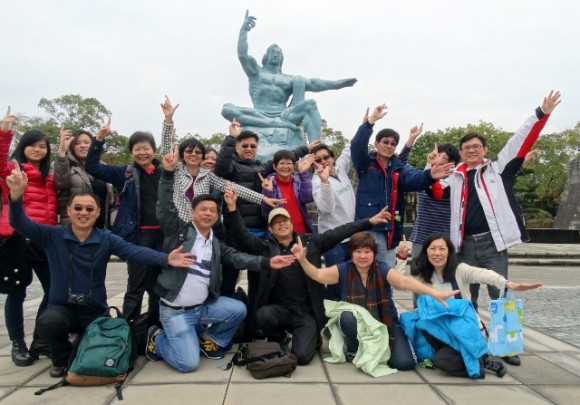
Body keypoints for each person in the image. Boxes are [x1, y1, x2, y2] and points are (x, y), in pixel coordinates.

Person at [5, 163, 194, 378]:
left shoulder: (106, 239)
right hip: (62, 307)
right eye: (77, 208)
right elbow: (19, 223)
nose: (83, 213)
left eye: (89, 209)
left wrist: (166, 258)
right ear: (68, 211)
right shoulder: (53, 236)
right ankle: (62, 361)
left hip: (94, 310)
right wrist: (16, 196)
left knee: (109, 339)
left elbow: (134, 251)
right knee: (49, 322)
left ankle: (80, 348)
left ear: (97, 213)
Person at [431, 90, 561, 366]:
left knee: (500, 292)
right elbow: (432, 189)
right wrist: (432, 165)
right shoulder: (453, 177)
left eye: (477, 146)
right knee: (467, 296)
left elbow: (519, 141)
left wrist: (541, 114)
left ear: (485, 150)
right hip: (463, 244)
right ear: (462, 152)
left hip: (492, 242)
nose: (472, 150)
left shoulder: (498, 170)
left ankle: (507, 346)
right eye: (466, 148)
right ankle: (475, 340)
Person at [145, 149, 295, 372]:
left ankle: (208, 338)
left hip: (201, 309)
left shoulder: (214, 242)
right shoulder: (177, 231)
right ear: (192, 211)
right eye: (203, 209)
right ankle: (158, 338)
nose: (207, 214)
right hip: (175, 310)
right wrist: (167, 174)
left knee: (238, 310)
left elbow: (237, 257)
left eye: (212, 211)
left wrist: (267, 262)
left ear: (217, 216)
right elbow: (164, 205)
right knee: (188, 364)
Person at [222, 186, 391, 365]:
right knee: (263, 315)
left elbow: (340, 232)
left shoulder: (311, 242)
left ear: (292, 224)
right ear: (271, 229)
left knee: (302, 357)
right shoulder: (264, 248)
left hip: (305, 313)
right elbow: (242, 236)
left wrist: (368, 222)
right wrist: (232, 208)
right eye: (276, 223)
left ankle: (311, 336)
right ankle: (281, 338)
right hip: (280, 311)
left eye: (284, 220)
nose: (281, 224)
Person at [289, 231, 458, 370]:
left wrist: (434, 293)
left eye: (367, 251)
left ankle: (376, 348)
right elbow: (318, 275)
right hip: (359, 325)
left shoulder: (382, 269)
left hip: (385, 324)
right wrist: (302, 260)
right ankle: (355, 349)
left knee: (404, 363)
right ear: (351, 253)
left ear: (374, 253)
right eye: (358, 251)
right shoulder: (343, 270)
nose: (363, 256)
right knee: (346, 316)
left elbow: (405, 281)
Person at [403, 233, 542, 378]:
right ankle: (481, 360)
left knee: (441, 361)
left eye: (442, 249)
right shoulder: (423, 275)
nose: (437, 253)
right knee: (430, 341)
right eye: (433, 249)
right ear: (426, 251)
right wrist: (401, 259)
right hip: (441, 333)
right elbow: (402, 284)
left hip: (466, 331)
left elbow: (482, 274)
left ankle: (483, 359)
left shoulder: (460, 270)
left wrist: (505, 283)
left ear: (449, 252)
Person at [221, 10, 357, 145]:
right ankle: (270, 123)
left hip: (284, 115)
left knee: (307, 97)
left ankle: (316, 148)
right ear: (266, 56)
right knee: (227, 109)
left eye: (278, 53)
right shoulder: (256, 72)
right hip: (258, 114)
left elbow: (314, 84)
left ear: (282, 58)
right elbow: (242, 55)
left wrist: (338, 84)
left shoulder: (288, 79)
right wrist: (244, 31)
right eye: (272, 52)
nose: (275, 54)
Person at [214, 119, 313, 303]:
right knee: (229, 276)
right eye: (245, 145)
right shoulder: (230, 167)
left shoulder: (260, 166)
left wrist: (306, 148)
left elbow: (284, 159)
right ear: (237, 147)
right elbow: (220, 167)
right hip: (236, 230)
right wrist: (230, 137)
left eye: (253, 146)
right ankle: (227, 319)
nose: (249, 149)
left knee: (258, 279)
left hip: (259, 231)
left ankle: (254, 320)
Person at [351, 104, 455, 268]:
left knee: (387, 277)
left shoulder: (398, 169)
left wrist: (429, 175)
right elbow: (357, 146)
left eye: (393, 143)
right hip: (367, 229)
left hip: (389, 233)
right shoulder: (365, 165)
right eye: (385, 142)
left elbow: (414, 179)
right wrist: (371, 122)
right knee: (363, 275)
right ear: (376, 144)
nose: (389, 146)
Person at [85, 118, 164, 323]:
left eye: (146, 148)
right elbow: (92, 167)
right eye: (137, 149)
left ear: (153, 150)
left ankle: (154, 326)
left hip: (162, 236)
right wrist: (99, 139)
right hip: (137, 236)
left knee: (158, 286)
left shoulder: (165, 173)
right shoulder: (125, 173)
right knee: (136, 285)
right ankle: (128, 327)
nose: (142, 153)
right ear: (131, 152)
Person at [159, 96, 283, 224]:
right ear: (182, 154)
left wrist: (263, 198)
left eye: (198, 152)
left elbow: (235, 188)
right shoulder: (176, 170)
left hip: (201, 226)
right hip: (177, 225)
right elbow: (166, 151)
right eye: (189, 151)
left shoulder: (207, 175)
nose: (193, 154)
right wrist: (168, 119)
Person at [0, 108, 55, 366]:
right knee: (17, 293)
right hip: (17, 238)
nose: (36, 150)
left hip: (43, 239)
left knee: (53, 289)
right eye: (31, 145)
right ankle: (17, 343)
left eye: (42, 146)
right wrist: (5, 132)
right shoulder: (13, 169)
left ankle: (40, 340)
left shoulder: (49, 176)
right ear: (23, 147)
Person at [310, 142, 355, 299]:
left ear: (332, 157)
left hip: (353, 237)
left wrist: (367, 123)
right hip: (333, 240)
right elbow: (326, 208)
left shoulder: (341, 168)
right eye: (318, 159)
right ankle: (334, 318)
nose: (323, 161)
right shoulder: (316, 181)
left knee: (353, 281)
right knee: (336, 283)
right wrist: (325, 182)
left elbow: (349, 149)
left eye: (326, 157)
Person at [54, 127, 113, 228]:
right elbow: (60, 184)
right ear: (72, 147)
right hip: (73, 227)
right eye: (77, 143)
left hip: (100, 227)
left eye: (87, 142)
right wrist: (62, 151)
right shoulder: (64, 164)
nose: (83, 145)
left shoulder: (102, 167)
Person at [260, 149, 315, 234]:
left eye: (289, 163)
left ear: (293, 166)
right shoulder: (268, 184)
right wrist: (269, 192)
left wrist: (304, 174)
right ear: (274, 166)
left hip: (302, 232)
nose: (286, 167)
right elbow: (266, 215)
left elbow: (307, 198)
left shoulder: (297, 182)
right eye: (282, 163)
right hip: (281, 236)